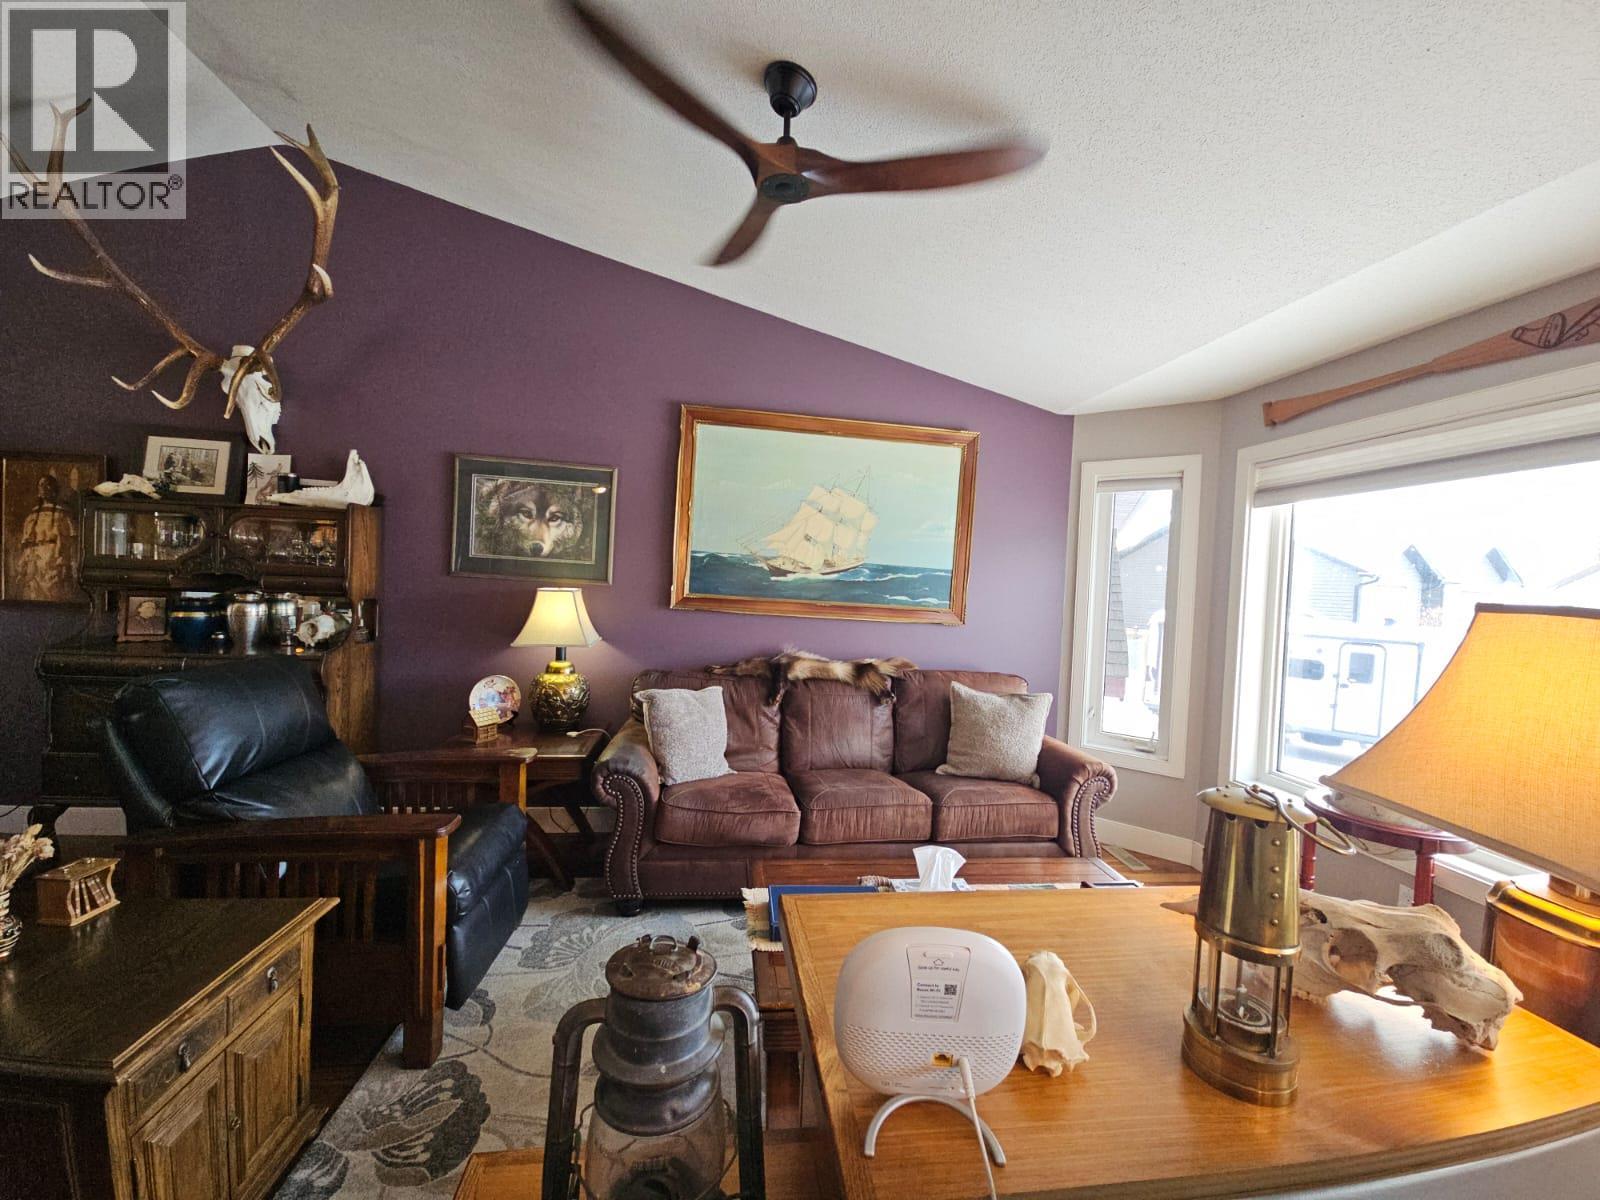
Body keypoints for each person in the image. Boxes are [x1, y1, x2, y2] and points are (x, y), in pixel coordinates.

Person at [14, 472, 78, 601]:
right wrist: (24, 566)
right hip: (36, 564)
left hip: (54, 561)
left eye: (47, 485)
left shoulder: (63, 514)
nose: (43, 488)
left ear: (54, 489)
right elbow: (27, 543)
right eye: (41, 485)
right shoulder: (33, 515)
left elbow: (69, 543)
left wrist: (65, 564)